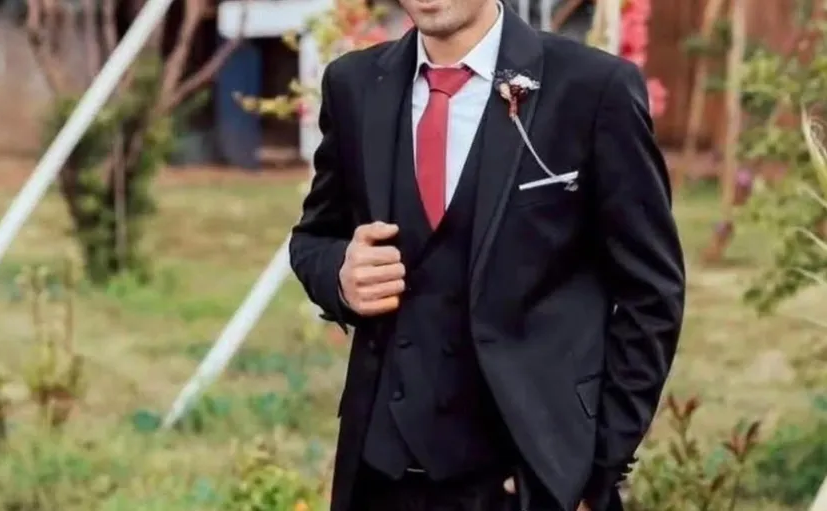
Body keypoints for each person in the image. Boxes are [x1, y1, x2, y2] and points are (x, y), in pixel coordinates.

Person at [289, 0, 686, 509]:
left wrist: (594, 470)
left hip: (526, 481)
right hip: (382, 477)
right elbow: (314, 238)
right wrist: (341, 276)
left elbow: (651, 293)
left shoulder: (592, 89)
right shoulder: (355, 85)